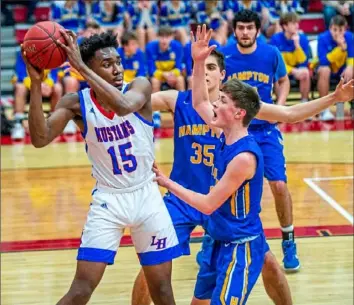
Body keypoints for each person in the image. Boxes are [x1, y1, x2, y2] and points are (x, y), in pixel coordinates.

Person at [131, 25, 354, 305]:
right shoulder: (188, 103)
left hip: (226, 206)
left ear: (223, 76)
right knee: (155, 261)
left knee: (268, 264)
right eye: (202, 68)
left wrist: (334, 98)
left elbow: (290, 112)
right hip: (187, 199)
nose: (206, 72)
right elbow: (144, 103)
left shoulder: (239, 107)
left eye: (213, 67)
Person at [23, 31, 182, 305]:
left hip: (147, 196)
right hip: (109, 200)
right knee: (81, 290)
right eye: (107, 64)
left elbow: (122, 107)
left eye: (118, 62)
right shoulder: (76, 103)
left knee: (163, 291)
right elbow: (39, 139)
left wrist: (81, 68)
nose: (117, 69)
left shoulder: (139, 87)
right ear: (90, 67)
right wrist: (37, 85)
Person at [219, 9, 300, 272]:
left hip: (266, 131)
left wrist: (280, 105)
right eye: (240, 27)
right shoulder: (224, 55)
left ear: (257, 30)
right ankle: (215, 239)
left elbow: (284, 80)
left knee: (278, 184)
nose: (245, 32)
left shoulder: (271, 53)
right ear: (235, 30)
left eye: (249, 28)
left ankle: (288, 238)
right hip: (236, 131)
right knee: (226, 188)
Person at [317, 15, 354, 121]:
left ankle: (350, 107)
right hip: (328, 69)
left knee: (352, 69)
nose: (337, 33)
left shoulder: (350, 37)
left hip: (342, 71)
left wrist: (350, 67)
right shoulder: (322, 38)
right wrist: (340, 49)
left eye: (341, 30)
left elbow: (351, 56)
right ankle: (324, 110)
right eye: (335, 30)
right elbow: (323, 61)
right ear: (330, 28)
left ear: (345, 29)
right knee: (324, 70)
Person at [270, 12, 311, 103]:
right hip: (283, 71)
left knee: (305, 72)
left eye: (297, 23)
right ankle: (280, 106)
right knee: (276, 75)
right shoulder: (275, 39)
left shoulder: (302, 38)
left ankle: (304, 103)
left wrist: (297, 45)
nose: (297, 26)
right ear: (285, 26)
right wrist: (292, 70)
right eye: (293, 23)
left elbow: (304, 62)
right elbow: (275, 63)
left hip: (297, 71)